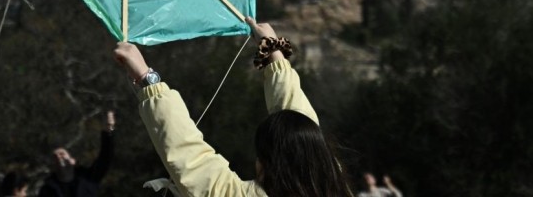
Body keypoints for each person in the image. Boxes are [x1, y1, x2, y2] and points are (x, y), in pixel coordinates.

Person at [113, 17, 353, 197]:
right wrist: (273, 51)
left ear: (267, 162)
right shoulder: (334, 184)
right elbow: (298, 125)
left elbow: (192, 161)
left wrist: (148, 79)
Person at [37, 110, 116, 197]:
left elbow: (106, 157)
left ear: (73, 160)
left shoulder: (88, 178)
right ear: (53, 166)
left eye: (62, 154)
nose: (59, 157)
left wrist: (109, 130)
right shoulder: (47, 190)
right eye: (55, 157)